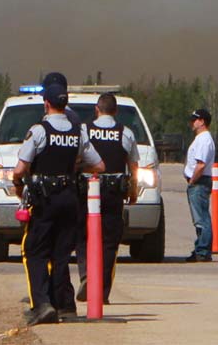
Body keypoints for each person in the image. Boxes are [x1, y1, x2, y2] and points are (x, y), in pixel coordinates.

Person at [12, 71, 105, 326]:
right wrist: (74, 171)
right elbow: (99, 166)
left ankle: (42, 304)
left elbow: (20, 168)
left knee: (35, 250)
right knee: (61, 254)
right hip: (70, 198)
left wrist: (18, 184)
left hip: (45, 200)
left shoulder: (39, 130)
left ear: (46, 103)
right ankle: (62, 304)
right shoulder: (79, 131)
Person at [76, 92, 140, 304]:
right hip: (113, 191)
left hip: (86, 189)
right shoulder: (126, 133)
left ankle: (86, 276)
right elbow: (133, 166)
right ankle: (102, 291)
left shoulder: (84, 130)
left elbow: (76, 158)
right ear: (116, 111)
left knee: (83, 236)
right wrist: (132, 192)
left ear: (97, 109)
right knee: (110, 242)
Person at [184, 108, 215, 262]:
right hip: (198, 182)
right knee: (200, 218)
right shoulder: (200, 139)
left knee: (201, 219)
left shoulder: (204, 140)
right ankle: (201, 249)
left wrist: (192, 180)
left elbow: (201, 165)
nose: (192, 122)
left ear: (202, 121)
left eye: (195, 119)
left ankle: (202, 251)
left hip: (199, 182)